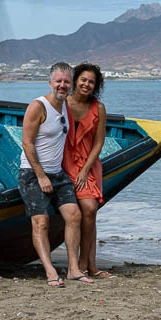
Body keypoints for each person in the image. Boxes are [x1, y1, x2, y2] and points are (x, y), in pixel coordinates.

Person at [18, 62, 93, 287]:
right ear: (50, 83)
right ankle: (50, 271)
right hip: (32, 173)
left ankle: (73, 269)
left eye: (66, 82)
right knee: (41, 221)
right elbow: (27, 142)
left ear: (71, 85)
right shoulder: (38, 106)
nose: (62, 85)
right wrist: (40, 176)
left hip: (57, 174)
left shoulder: (65, 106)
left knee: (74, 215)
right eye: (58, 81)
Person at [63, 63, 113, 279]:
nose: (86, 84)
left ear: (96, 85)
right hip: (63, 162)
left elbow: (99, 142)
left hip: (88, 164)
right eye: (83, 79)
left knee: (90, 209)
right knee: (84, 212)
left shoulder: (98, 108)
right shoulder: (62, 103)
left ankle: (87, 263)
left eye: (91, 82)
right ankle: (85, 265)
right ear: (75, 80)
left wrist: (84, 170)